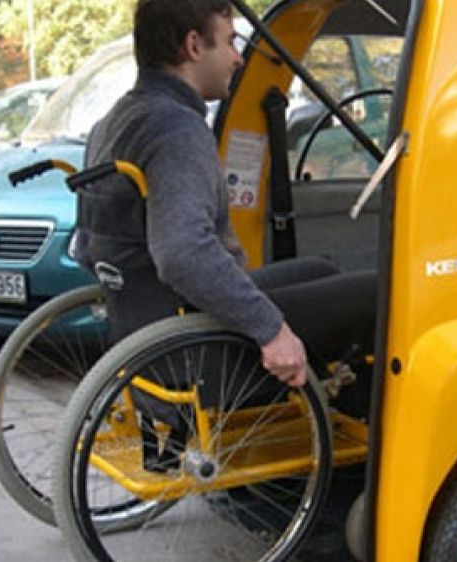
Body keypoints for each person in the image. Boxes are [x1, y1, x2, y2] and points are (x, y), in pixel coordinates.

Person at [78, 0, 375, 391]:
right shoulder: (177, 130)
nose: (238, 59)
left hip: (147, 337)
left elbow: (86, 249)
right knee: (377, 291)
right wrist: (271, 331)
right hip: (199, 349)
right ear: (194, 46)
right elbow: (183, 253)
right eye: (230, 43)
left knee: (320, 269)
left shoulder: (113, 122)